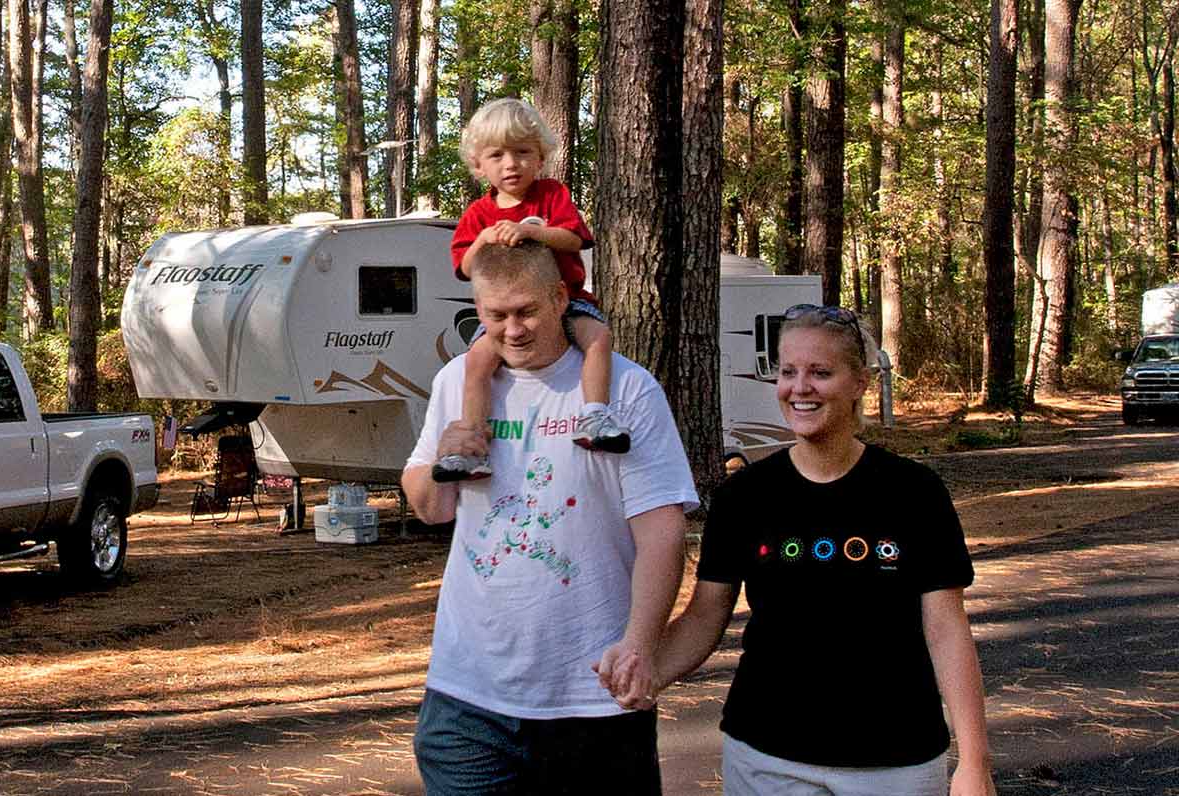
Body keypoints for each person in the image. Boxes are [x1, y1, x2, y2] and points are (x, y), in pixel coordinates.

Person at [622, 304, 995, 796]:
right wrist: (644, 672)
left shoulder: (914, 492)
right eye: (788, 372)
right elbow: (703, 618)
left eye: (821, 372)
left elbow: (947, 629)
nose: (800, 388)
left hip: (894, 763)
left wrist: (974, 760)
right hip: (766, 759)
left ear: (860, 382)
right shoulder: (744, 496)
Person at [401, 241, 701, 794]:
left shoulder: (626, 389)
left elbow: (661, 528)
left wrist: (640, 643)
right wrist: (443, 458)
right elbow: (431, 508)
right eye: (495, 316)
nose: (511, 330)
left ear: (561, 298)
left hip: (593, 697)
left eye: (526, 312)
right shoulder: (456, 384)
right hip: (468, 701)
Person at [435, 98, 629, 483]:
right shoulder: (477, 214)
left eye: (523, 152)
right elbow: (464, 268)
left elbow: (574, 240)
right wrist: (484, 241)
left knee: (598, 337)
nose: (511, 164)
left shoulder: (552, 195)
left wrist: (531, 230)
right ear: (479, 165)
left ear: (540, 157)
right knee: (475, 362)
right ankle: (472, 441)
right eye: (497, 155)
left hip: (567, 300)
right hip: (506, 312)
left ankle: (594, 415)